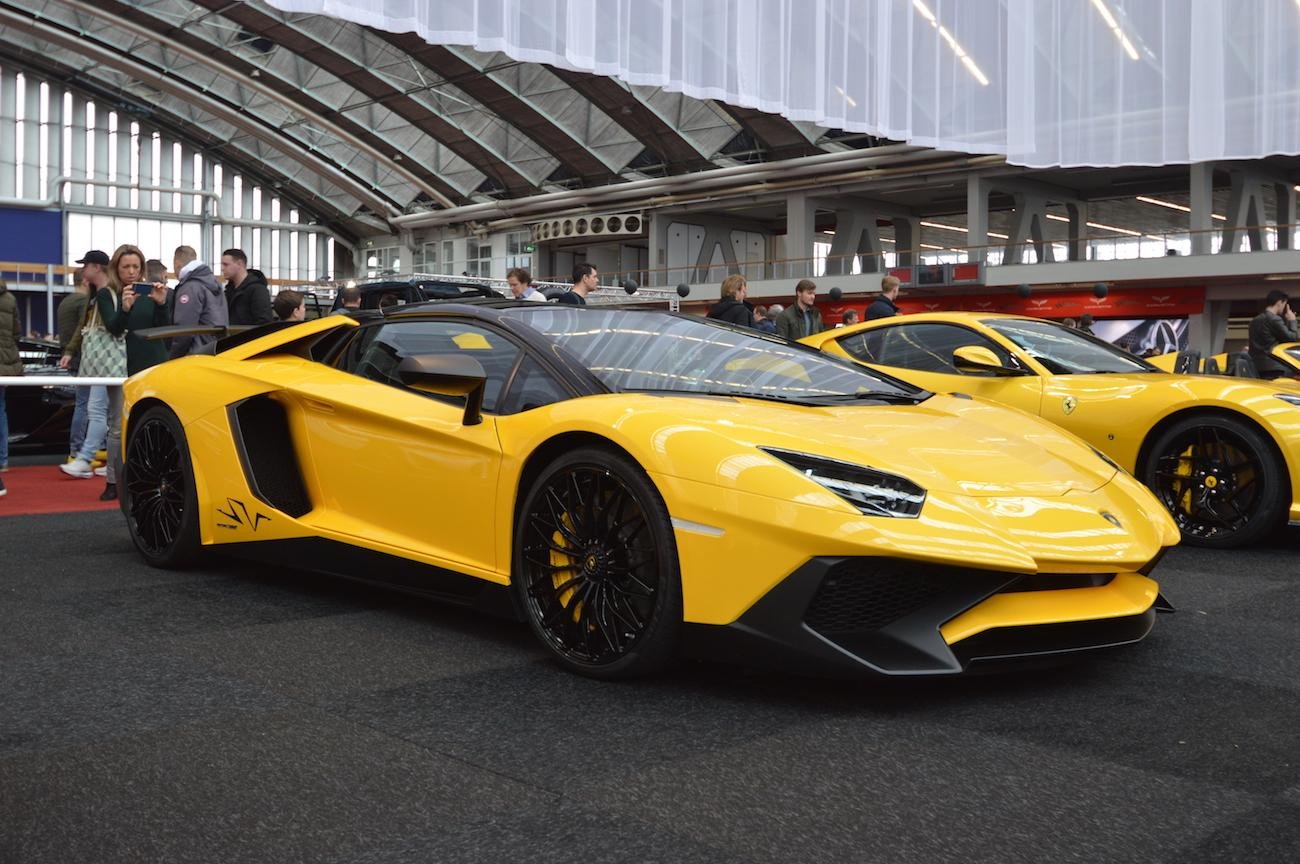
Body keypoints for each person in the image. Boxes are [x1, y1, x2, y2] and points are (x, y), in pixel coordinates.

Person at [60, 248, 134, 499]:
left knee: (104, 415)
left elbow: (114, 328)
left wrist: (124, 311)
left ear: (96, 267)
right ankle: (97, 462)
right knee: (105, 415)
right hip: (105, 365)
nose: (83, 269)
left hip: (104, 365)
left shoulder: (103, 294)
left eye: (86, 265)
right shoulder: (100, 294)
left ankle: (89, 458)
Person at [166, 246, 227, 359]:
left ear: (177, 264)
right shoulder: (215, 284)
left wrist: (173, 356)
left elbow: (184, 330)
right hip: (215, 350)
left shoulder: (190, 287)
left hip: (194, 355)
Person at [57, 267, 92, 462]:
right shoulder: (82, 302)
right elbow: (83, 330)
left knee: (82, 403)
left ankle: (77, 448)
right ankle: (78, 449)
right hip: (82, 358)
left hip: (70, 357)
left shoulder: (65, 302)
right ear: (86, 281)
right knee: (85, 405)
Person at [1248, 290, 1298, 380]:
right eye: (1284, 304)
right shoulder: (1274, 319)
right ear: (1279, 302)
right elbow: (1291, 339)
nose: (1284, 308)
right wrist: (1292, 321)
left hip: (1256, 366)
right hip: (1275, 366)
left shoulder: (1254, 321)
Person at [0, 276, 21, 479]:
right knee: (1, 410)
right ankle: (3, 460)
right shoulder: (10, 298)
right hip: (5, 362)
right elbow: (17, 332)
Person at [221, 248, 273, 325]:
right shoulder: (228, 291)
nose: (222, 269)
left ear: (239, 264)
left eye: (226, 264)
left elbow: (264, 322)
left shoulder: (258, 290)